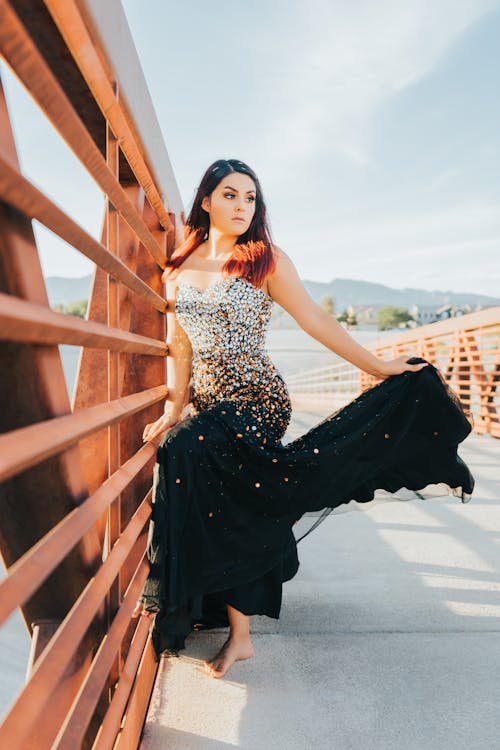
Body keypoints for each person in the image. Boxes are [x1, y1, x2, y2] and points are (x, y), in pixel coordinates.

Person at [132, 158, 474, 678]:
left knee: (185, 453)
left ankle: (223, 623)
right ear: (206, 201)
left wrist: (379, 365)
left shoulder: (264, 260)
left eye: (250, 198)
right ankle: (238, 635)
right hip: (208, 404)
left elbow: (314, 319)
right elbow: (182, 345)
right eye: (230, 195)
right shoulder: (178, 266)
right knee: (232, 497)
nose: (242, 206)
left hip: (257, 400)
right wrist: (174, 407)